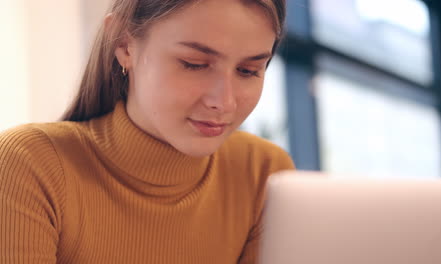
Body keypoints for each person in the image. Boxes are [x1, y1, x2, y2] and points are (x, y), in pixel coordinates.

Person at [0, 0, 294, 263]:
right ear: (125, 44)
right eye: (194, 64)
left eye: (248, 70)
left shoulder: (264, 173)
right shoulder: (29, 164)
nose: (224, 102)